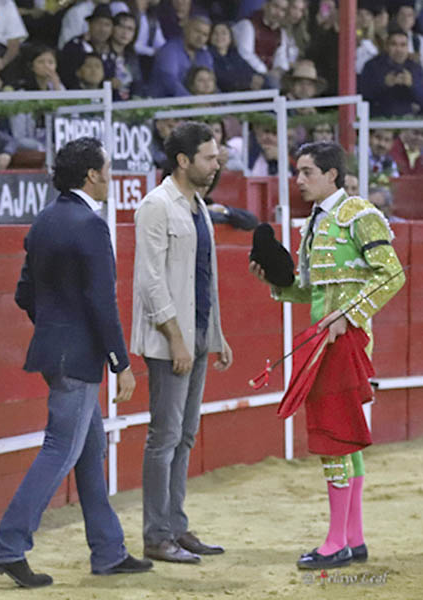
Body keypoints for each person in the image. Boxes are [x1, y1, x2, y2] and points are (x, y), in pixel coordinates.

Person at [0, 137, 153, 588]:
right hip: (77, 358)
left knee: (89, 451)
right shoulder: (90, 225)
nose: (111, 176)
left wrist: (55, 328)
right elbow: (102, 302)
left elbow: (24, 294)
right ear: (92, 175)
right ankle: (7, 547)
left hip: (52, 351)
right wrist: (120, 362)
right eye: (108, 169)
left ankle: (109, 551)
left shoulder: (45, 220)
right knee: (60, 449)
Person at [249, 141, 405, 570]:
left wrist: (348, 315)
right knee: (345, 438)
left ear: (332, 174)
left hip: (345, 341)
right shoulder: (316, 222)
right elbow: (311, 291)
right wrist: (276, 283)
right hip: (324, 339)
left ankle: (336, 542)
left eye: (307, 172)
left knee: (333, 437)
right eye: (298, 172)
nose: (298, 180)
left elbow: (392, 274)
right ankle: (353, 538)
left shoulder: (359, 214)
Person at [131, 121, 233, 564]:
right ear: (183, 160)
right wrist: (176, 339)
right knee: (165, 436)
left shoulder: (198, 206)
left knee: (185, 435)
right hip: (170, 339)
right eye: (208, 158)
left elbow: (204, 277)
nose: (216, 165)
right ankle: (157, 535)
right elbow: (150, 281)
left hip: (197, 335)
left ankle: (174, 525)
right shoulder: (157, 205)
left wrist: (216, 335)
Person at [359, 26, 423, 117]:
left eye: (403, 45)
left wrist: (412, 85)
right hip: (378, 119)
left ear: (407, 48)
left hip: (409, 120)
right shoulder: (372, 66)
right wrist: (384, 84)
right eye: (394, 44)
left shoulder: (415, 68)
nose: (399, 49)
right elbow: (363, 96)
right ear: (386, 46)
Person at [148, 14, 213, 97]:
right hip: (164, 102)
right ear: (186, 29)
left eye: (205, 35)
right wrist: (192, 101)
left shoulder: (205, 55)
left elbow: (212, 83)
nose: (200, 37)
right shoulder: (169, 50)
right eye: (197, 31)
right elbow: (170, 82)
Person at [232, 0, 290, 88]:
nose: (278, 13)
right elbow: (246, 55)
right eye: (275, 7)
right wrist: (266, 72)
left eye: (283, 10)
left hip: (269, 76)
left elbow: (281, 57)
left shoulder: (280, 33)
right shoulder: (248, 25)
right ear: (265, 5)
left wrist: (279, 70)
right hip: (246, 73)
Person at [59, 4, 115, 89]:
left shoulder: (110, 52)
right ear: (89, 24)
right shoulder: (74, 46)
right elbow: (66, 76)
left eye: (107, 25)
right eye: (99, 23)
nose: (103, 29)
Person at [208, 22, 264, 93]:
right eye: (215, 33)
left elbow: (250, 71)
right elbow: (222, 80)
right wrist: (248, 82)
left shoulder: (235, 55)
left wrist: (257, 78)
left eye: (223, 33)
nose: (219, 36)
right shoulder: (208, 56)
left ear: (230, 38)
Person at [110, 11, 144, 100]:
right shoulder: (103, 52)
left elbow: (138, 83)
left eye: (130, 29)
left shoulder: (132, 56)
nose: (125, 32)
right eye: (121, 26)